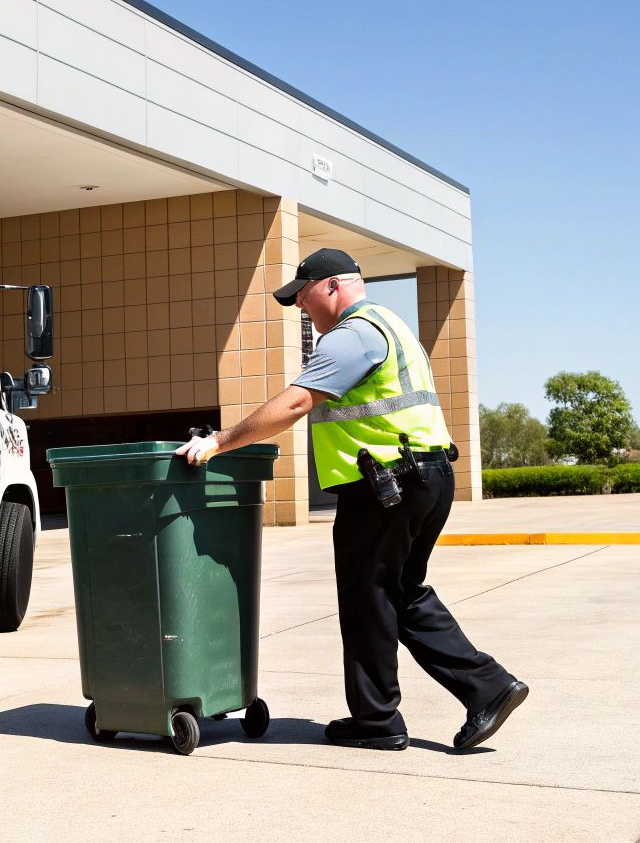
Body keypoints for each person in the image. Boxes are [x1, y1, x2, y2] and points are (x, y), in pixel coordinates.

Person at [176, 248, 527, 752]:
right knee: (400, 593)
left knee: (368, 601)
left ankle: (377, 720)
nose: (301, 309)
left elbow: (297, 401)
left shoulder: (354, 335)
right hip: (424, 478)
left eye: (302, 297)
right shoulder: (392, 325)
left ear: (331, 287)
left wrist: (220, 441)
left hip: (386, 488)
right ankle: (489, 688)